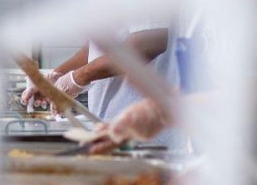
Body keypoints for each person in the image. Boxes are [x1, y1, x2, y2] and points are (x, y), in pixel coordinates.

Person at [21, 27, 181, 148]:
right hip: (109, 126)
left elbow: (146, 44)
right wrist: (56, 78)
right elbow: (92, 50)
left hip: (146, 129)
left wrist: (78, 77)